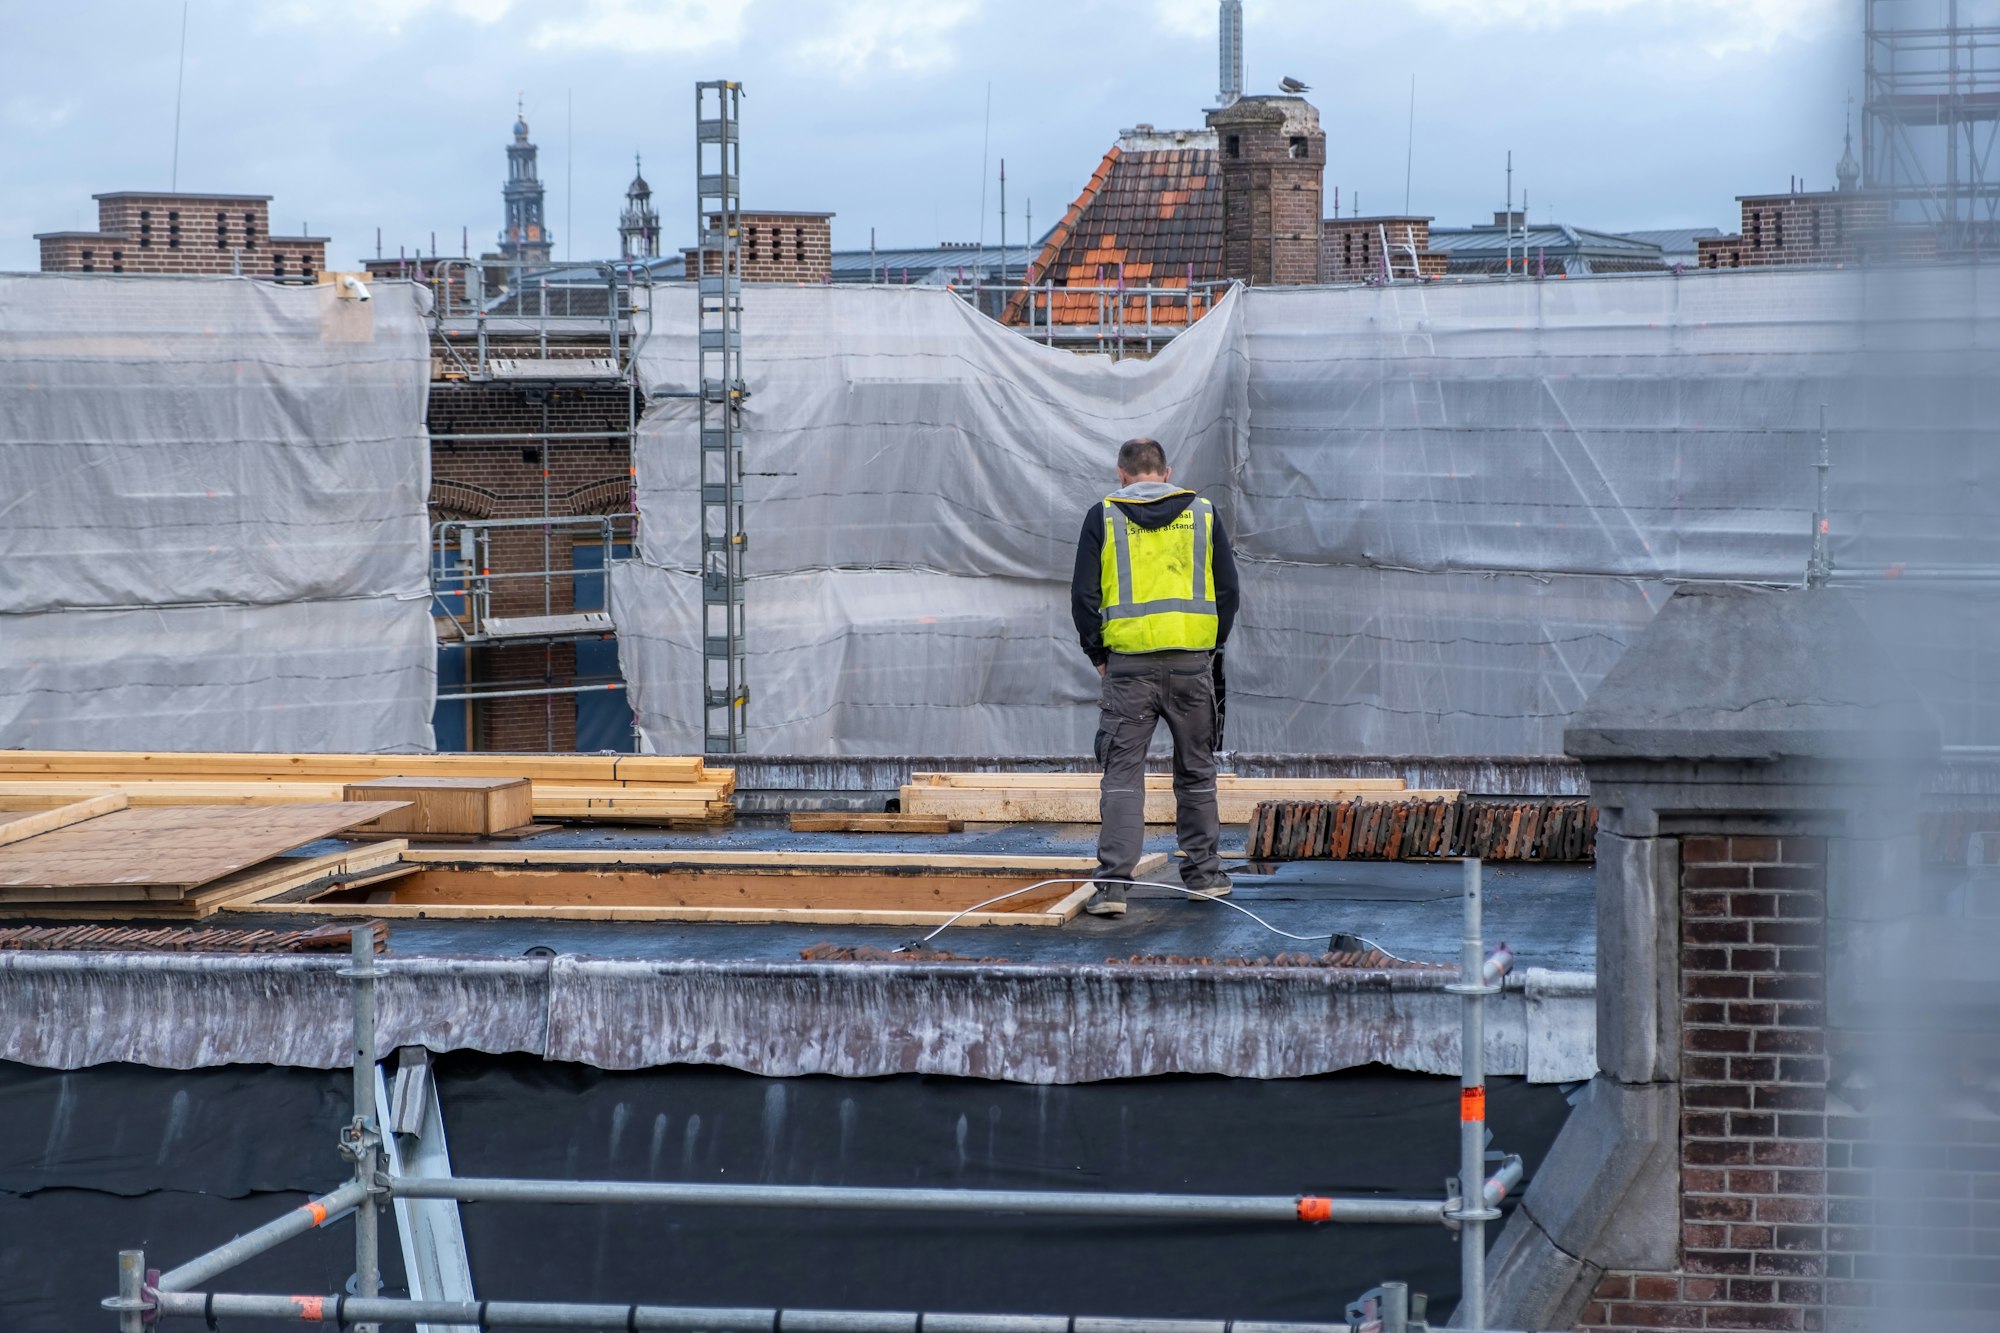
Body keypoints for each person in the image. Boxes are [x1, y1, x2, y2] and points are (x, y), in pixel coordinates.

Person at [1069, 437, 1240, 917]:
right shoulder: (1203, 513)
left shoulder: (1103, 515)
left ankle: (1113, 890)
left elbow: (1083, 597)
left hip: (1128, 668)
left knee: (1122, 775)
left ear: (1121, 476)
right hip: (1191, 663)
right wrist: (1209, 644)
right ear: (1166, 473)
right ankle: (1205, 877)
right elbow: (1228, 590)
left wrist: (1098, 654)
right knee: (1196, 771)